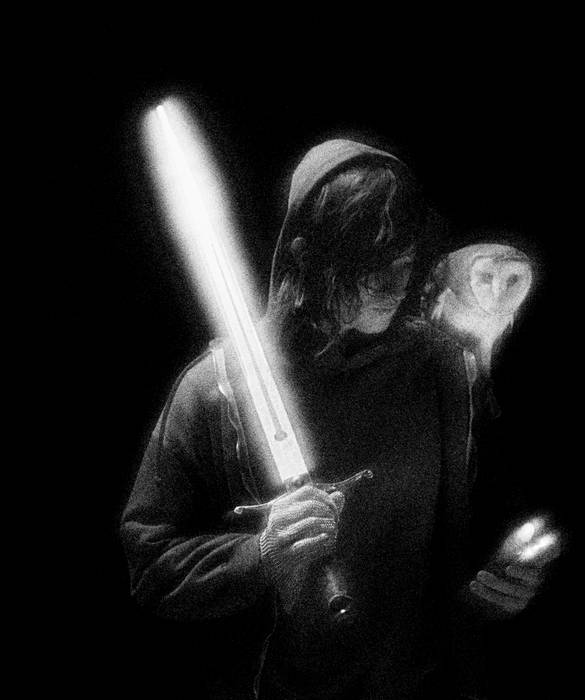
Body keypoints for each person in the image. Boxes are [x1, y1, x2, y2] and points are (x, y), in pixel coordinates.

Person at [121, 139, 547, 699]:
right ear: (308, 254)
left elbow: (466, 528)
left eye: (403, 257)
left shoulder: (440, 366)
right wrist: (258, 555)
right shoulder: (215, 389)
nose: (397, 281)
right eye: (370, 261)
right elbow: (151, 564)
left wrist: (500, 576)